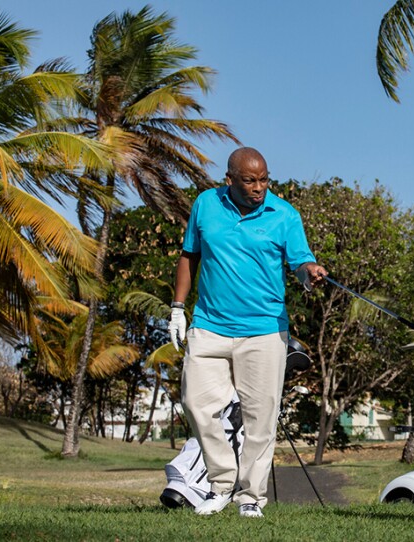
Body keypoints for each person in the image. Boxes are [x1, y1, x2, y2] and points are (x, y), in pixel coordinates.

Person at [167, 146, 326, 518]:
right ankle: (221, 484)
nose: (259, 187)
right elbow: (190, 256)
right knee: (196, 403)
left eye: (264, 179)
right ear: (230, 180)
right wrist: (177, 309)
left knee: (260, 417)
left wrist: (309, 274)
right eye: (250, 180)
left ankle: (250, 496)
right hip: (210, 325)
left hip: (264, 331)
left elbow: (300, 263)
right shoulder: (206, 204)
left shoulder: (284, 214)